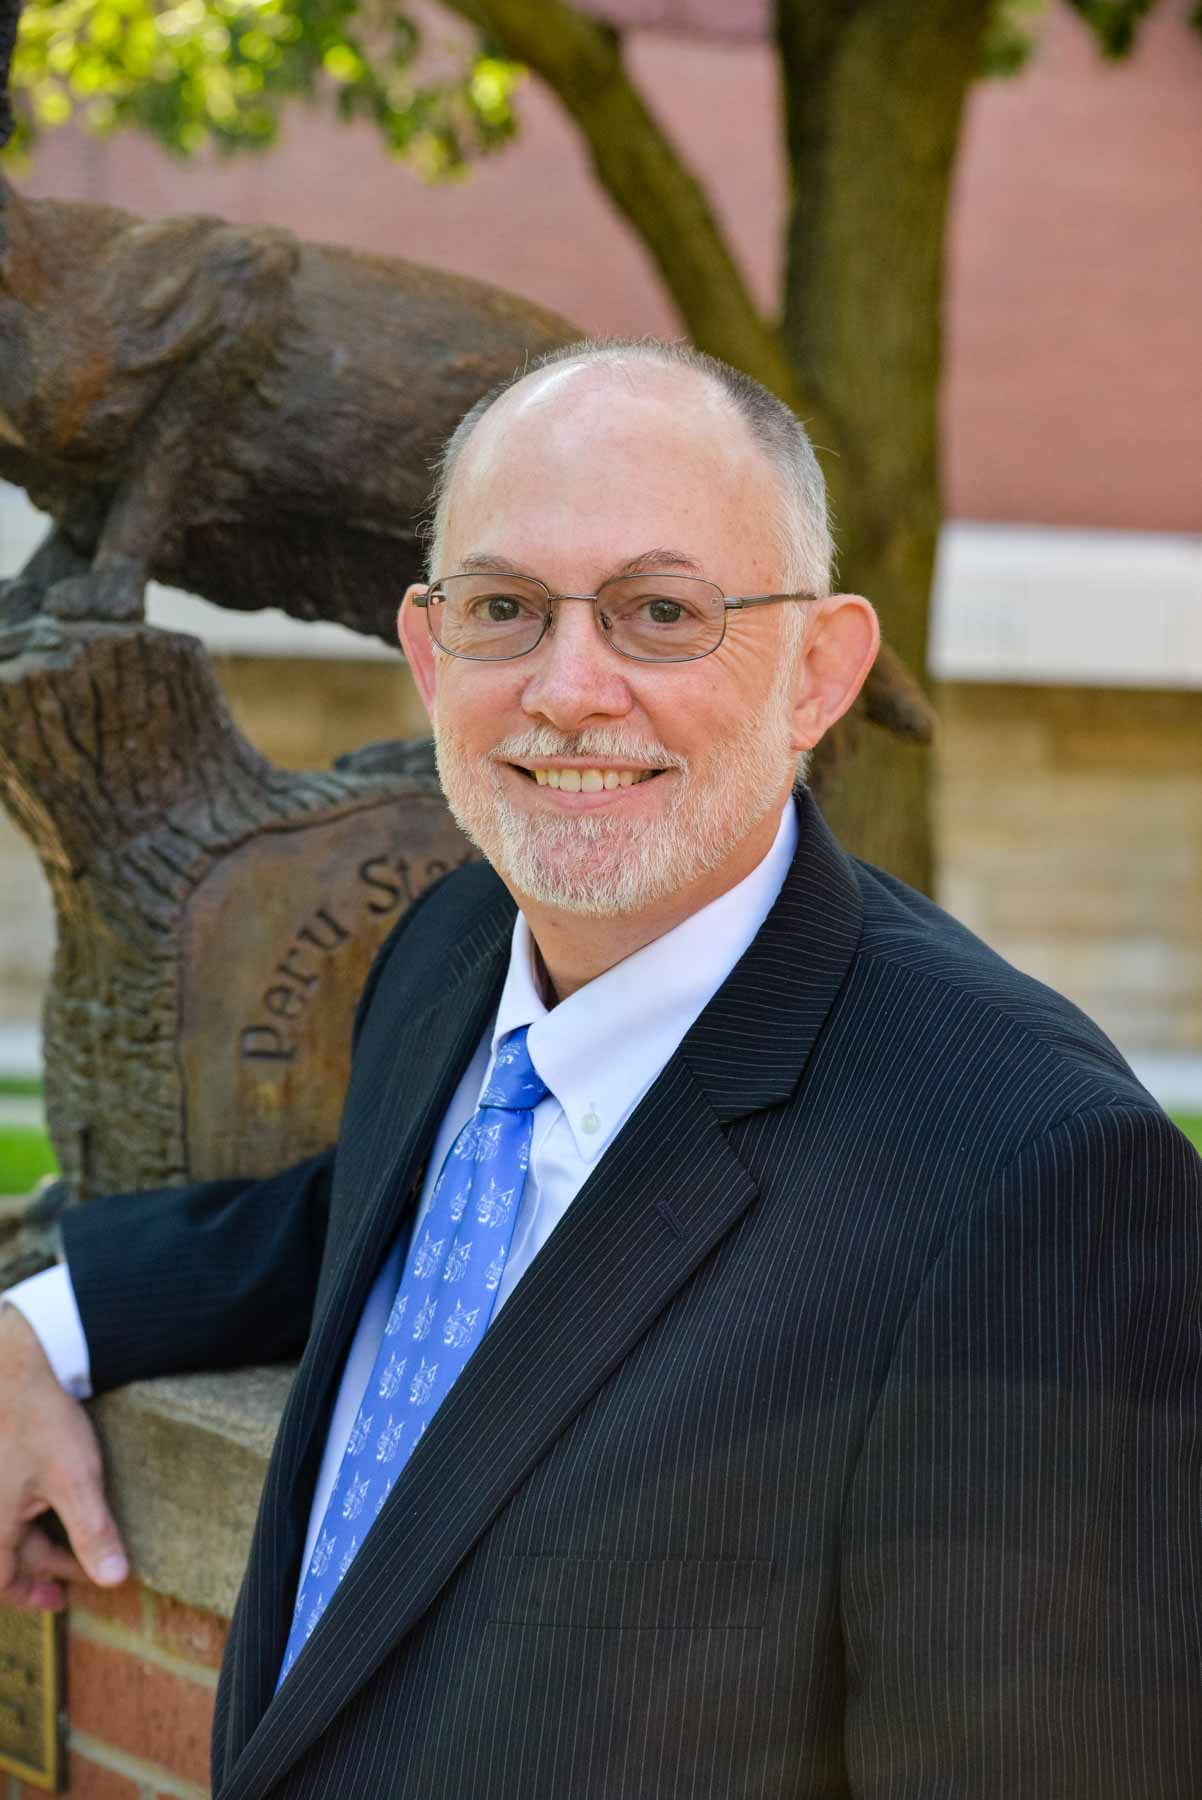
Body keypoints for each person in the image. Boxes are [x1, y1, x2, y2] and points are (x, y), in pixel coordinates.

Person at [2, 339, 1199, 1800]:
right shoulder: (453, 951)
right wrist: (50, 1323)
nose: (570, 689)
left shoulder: (1031, 1177)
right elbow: (388, 1213)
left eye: (659, 613)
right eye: (505, 609)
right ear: (430, 653)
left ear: (821, 670)